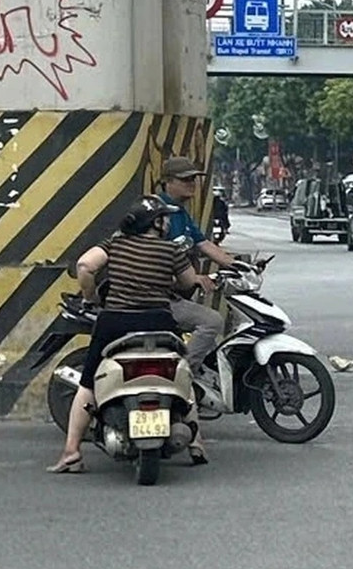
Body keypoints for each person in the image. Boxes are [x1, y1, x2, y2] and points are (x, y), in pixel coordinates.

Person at [47, 196, 215, 473]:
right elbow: (188, 281)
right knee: (181, 375)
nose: (168, 222)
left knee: (88, 383)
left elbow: (85, 266)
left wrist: (90, 297)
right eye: (164, 218)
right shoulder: (171, 250)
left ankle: (71, 452)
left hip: (115, 322)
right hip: (159, 321)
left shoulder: (115, 244)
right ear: (156, 223)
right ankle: (196, 444)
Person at [157, 156, 234, 377]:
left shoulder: (180, 212)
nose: (191, 184)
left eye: (193, 179)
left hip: (177, 290)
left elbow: (203, 243)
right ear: (168, 182)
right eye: (185, 179)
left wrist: (237, 265)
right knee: (211, 322)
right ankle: (183, 376)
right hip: (159, 294)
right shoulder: (159, 214)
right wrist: (194, 278)